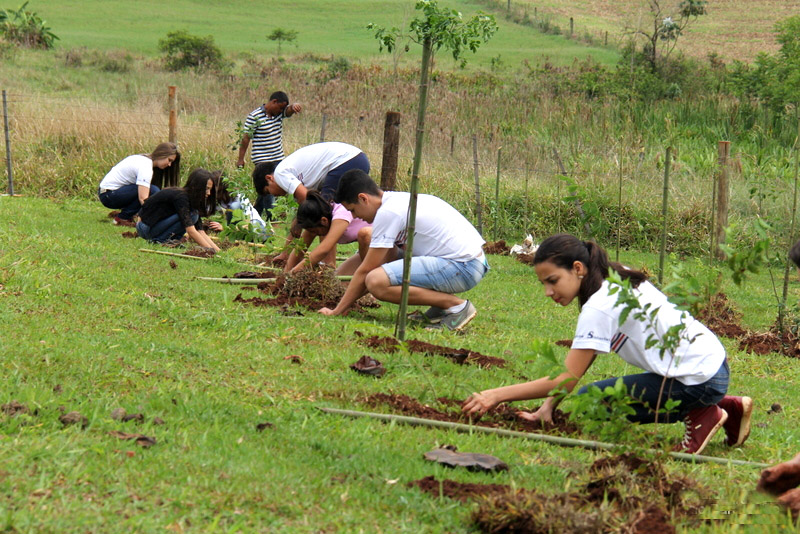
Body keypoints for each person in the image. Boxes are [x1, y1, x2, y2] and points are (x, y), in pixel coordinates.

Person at [461, 233, 753, 455]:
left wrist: (495, 395)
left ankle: (703, 411)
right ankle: (726, 405)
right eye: (543, 284)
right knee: (594, 397)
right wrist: (547, 407)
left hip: (698, 379)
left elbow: (565, 378)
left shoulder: (598, 306)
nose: (548, 292)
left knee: (593, 403)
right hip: (711, 364)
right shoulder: (613, 275)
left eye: (553, 280)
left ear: (577, 268)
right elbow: (588, 354)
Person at [319, 170, 489, 331]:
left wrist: (337, 311)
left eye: (353, 210)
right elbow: (376, 259)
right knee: (371, 264)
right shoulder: (396, 200)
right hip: (472, 262)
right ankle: (439, 308)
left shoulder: (388, 213)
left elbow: (366, 271)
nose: (355, 217)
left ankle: (456, 306)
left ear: (363, 198)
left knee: (375, 281)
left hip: (463, 266)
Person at [236, 91, 302, 218]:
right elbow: (245, 138)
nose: (281, 110)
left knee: (266, 190)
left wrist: (294, 107)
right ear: (274, 102)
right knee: (270, 188)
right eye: (280, 107)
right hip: (262, 161)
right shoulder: (254, 116)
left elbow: (288, 111)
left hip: (278, 159)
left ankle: (256, 213)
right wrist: (241, 159)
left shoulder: (279, 114)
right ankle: (272, 218)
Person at [285, 190, 372, 275]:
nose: (313, 233)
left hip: (381, 244)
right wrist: (285, 275)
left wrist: (294, 271)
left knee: (365, 235)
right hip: (367, 251)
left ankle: (373, 275)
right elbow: (299, 249)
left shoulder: (341, 213)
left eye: (313, 231)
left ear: (324, 220)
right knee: (340, 284)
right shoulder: (319, 218)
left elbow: (324, 249)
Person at [253, 142, 369, 205]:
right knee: (352, 207)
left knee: (321, 211)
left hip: (345, 161)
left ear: (269, 178)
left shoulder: (280, 174)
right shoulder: (291, 170)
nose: (274, 195)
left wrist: (297, 224)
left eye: (269, 191)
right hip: (359, 158)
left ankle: (321, 250)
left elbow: (306, 200)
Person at [136, 169, 220, 252]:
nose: (209, 193)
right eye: (206, 189)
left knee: (193, 216)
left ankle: (171, 241)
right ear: (196, 187)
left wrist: (217, 251)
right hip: (145, 228)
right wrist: (210, 251)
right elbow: (191, 231)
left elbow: (200, 231)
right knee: (193, 216)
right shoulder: (181, 198)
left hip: (153, 226)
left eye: (210, 189)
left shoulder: (191, 200)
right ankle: (160, 240)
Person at [98, 142, 180, 227]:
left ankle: (128, 215)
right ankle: (122, 218)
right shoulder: (146, 167)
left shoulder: (144, 159)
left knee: (153, 191)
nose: (169, 164)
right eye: (169, 160)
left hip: (107, 193)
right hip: (109, 195)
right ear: (161, 154)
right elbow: (143, 198)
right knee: (153, 191)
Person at [206, 171, 269, 241]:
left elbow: (248, 223)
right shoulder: (214, 200)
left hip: (254, 226)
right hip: (237, 230)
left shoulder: (239, 197)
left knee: (233, 207)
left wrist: (225, 228)